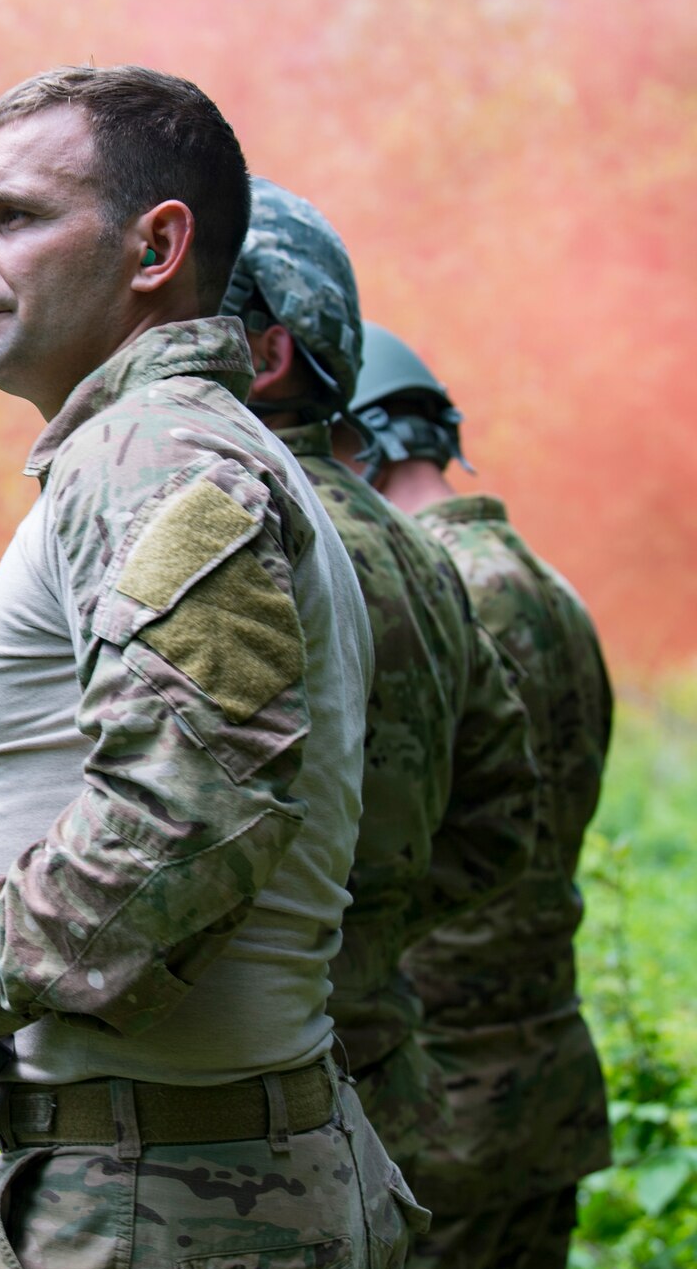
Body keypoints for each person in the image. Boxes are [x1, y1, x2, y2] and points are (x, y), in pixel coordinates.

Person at [0, 65, 421, 1269]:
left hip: (173, 1218)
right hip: (169, 1182)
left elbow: (191, 809)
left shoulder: (156, 448)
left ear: (155, 247)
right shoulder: (168, 451)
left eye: (12, 217)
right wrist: (61, 1131)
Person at [221, 179, 538, 1171]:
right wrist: (363, 941)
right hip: (379, 1099)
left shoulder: (230, 532)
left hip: (234, 1131)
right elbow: (501, 815)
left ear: (267, 356)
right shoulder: (417, 555)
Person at [347, 322, 613, 1269]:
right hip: (540, 1072)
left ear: (353, 438)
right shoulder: (551, 589)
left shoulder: (418, 590)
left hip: (440, 1096)